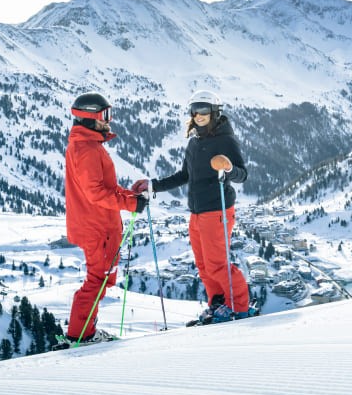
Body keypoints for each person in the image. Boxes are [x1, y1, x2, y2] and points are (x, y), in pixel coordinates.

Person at [132, 89, 252, 324]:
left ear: (215, 112)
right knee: (204, 266)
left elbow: (242, 175)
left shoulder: (226, 140)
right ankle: (218, 304)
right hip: (197, 212)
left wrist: (228, 168)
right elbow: (184, 175)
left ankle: (239, 308)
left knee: (218, 264)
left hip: (217, 210)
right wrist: (153, 185)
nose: (199, 114)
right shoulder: (195, 142)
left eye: (204, 110)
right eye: (195, 110)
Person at [64, 92, 148, 344]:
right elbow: (96, 193)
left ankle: (85, 331)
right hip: (98, 228)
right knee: (97, 281)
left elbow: (104, 187)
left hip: (99, 226)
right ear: (89, 117)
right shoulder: (87, 149)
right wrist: (131, 202)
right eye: (104, 115)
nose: (108, 121)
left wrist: (130, 195)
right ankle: (81, 335)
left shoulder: (87, 146)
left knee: (102, 280)